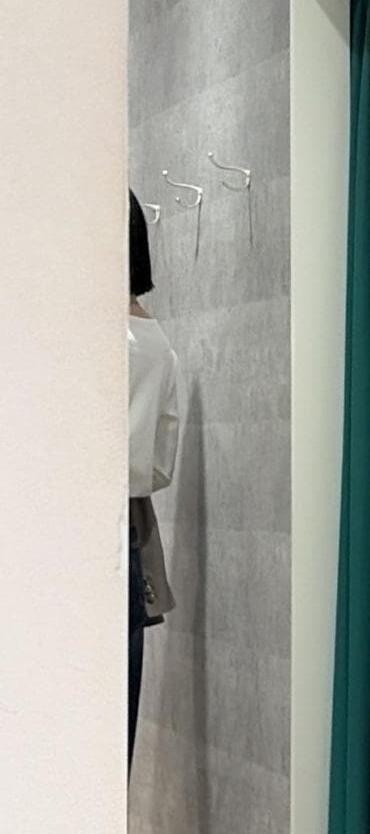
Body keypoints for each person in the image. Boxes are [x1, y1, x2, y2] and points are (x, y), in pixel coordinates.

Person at [127, 189, 179, 775]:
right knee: (113, 731)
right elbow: (159, 467)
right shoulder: (157, 344)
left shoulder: (73, 336)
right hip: (129, 533)